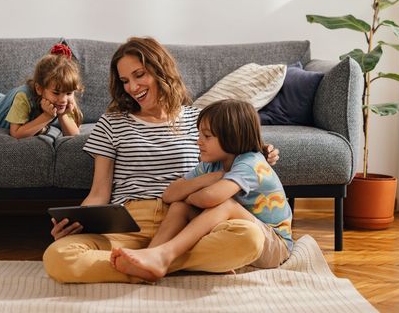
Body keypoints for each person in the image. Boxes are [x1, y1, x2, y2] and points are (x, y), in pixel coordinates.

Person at [43, 36, 280, 283]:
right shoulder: (111, 122)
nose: (132, 87)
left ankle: (152, 261)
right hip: (129, 222)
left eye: (139, 75)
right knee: (58, 256)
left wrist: (260, 153)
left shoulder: (199, 120)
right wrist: (79, 221)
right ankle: (169, 264)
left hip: (187, 222)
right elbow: (100, 191)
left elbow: (232, 159)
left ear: (161, 70)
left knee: (250, 237)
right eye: (125, 80)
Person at [110, 99, 293, 282]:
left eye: (207, 136)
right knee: (179, 207)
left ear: (232, 136)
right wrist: (211, 178)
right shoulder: (211, 166)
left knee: (225, 205)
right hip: (238, 230)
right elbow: (170, 194)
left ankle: (166, 255)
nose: (199, 142)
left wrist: (192, 194)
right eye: (199, 135)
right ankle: (151, 255)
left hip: (273, 244)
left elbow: (210, 198)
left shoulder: (251, 163)